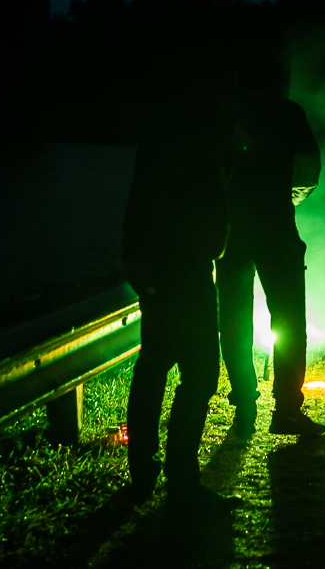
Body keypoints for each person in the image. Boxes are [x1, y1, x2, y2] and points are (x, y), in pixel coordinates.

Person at [121, 63, 242, 515]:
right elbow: (163, 193)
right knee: (199, 370)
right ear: (203, 83)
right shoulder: (185, 126)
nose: (228, 98)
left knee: (156, 363)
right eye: (223, 88)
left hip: (171, 261)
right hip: (180, 263)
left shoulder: (181, 122)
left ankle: (146, 469)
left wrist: (136, 254)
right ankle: (179, 477)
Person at [216, 57, 325, 437]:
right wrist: (284, 201)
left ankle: (244, 402)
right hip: (276, 228)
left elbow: (206, 173)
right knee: (289, 317)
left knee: (234, 319)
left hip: (230, 233)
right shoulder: (288, 112)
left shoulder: (224, 112)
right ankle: (287, 411)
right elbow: (309, 171)